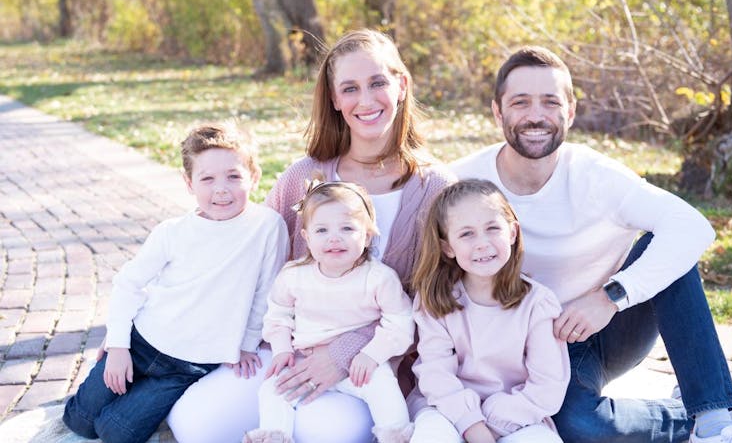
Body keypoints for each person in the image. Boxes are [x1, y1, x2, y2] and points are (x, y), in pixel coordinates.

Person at [452, 45, 732, 443]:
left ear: (570, 111)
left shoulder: (596, 176)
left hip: (603, 330)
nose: (536, 115)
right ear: (497, 112)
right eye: (520, 102)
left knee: (671, 245)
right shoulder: (463, 181)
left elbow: (693, 227)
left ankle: (713, 422)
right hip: (519, 349)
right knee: (577, 427)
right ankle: (721, 409)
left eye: (550, 102)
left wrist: (610, 297)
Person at [168, 29, 455, 443]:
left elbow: (438, 302)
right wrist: (145, 327)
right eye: (350, 88)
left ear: (402, 85)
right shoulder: (306, 176)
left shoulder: (435, 187)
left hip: (374, 369)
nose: (366, 99)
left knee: (323, 433)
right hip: (288, 353)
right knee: (194, 423)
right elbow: (240, 254)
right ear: (336, 100)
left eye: (378, 83)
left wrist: (343, 353)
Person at [61, 123, 289, 443]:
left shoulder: (267, 226)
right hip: (143, 342)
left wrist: (247, 343)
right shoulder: (173, 231)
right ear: (188, 183)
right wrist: (118, 345)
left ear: (254, 175)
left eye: (233, 176)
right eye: (207, 179)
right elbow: (128, 284)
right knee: (79, 421)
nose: (221, 189)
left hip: (187, 367)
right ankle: (116, 390)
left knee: (115, 432)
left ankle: (142, 402)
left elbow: (266, 291)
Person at [244, 180, 414, 443]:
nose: (334, 237)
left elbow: (400, 321)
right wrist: (282, 350)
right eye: (321, 230)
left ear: (367, 236)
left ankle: (395, 435)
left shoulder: (378, 278)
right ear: (307, 238)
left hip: (359, 362)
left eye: (347, 228)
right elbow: (278, 316)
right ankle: (274, 435)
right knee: (273, 388)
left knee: (382, 385)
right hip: (304, 359)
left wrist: (372, 355)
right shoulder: (293, 276)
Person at [408, 179, 569, 443]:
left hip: (516, 416)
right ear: (448, 247)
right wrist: (471, 425)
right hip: (446, 409)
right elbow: (435, 373)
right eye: (467, 234)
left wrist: (491, 424)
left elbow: (547, 386)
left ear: (513, 233)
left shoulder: (538, 303)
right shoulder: (435, 301)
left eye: (492, 228)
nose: (482, 243)